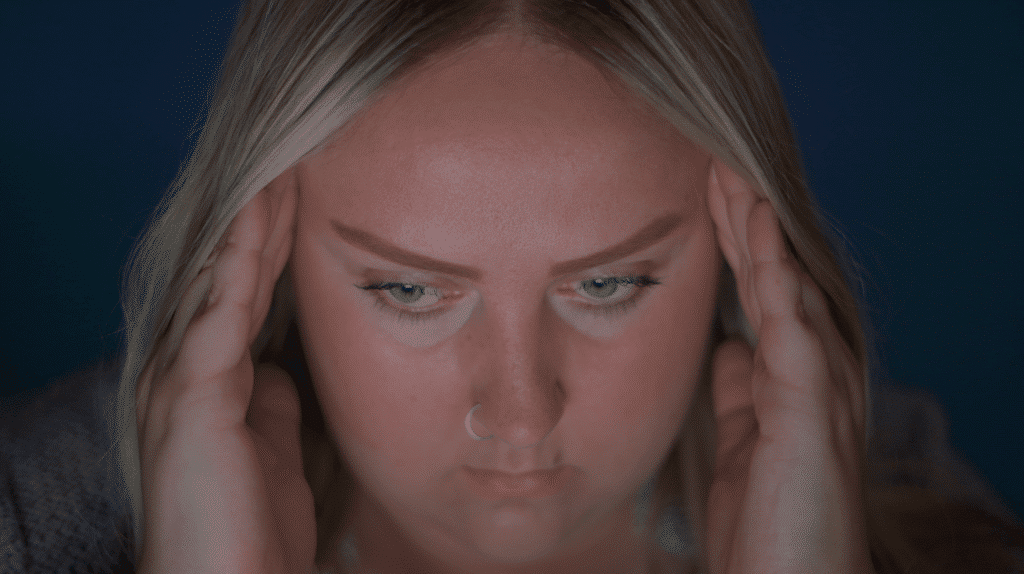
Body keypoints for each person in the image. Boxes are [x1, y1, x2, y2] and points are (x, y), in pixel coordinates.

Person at [3, 0, 1021, 572]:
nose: (518, 412)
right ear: (261, 260)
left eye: (611, 282)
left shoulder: (914, 496)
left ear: (742, 250)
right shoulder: (38, 521)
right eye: (407, 291)